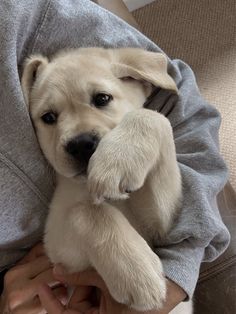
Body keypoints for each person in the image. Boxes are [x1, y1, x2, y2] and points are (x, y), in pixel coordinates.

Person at [0, 0, 230, 313]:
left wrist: (150, 127)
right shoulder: (70, 194)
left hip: (163, 291)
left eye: (100, 99)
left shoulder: (17, 18)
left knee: (153, 124)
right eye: (50, 117)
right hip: (39, 295)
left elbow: (164, 221)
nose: (77, 137)